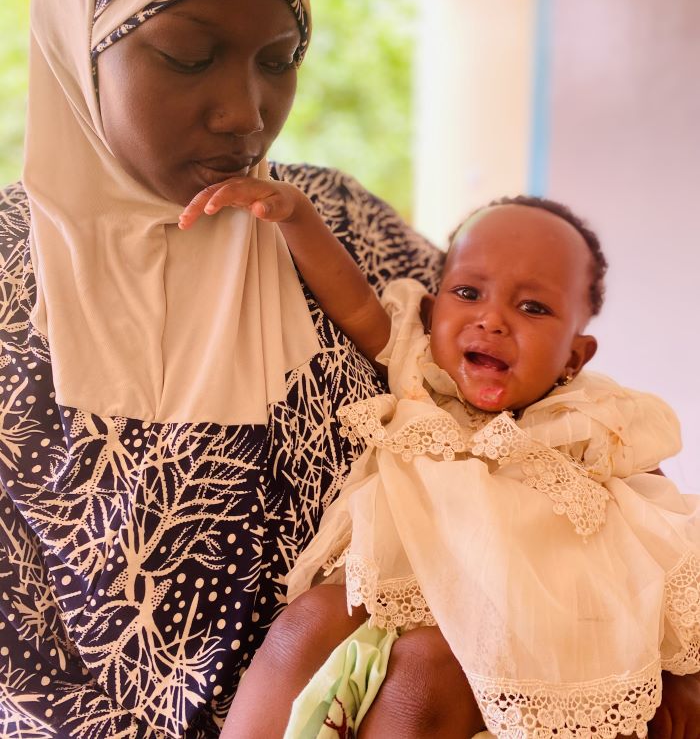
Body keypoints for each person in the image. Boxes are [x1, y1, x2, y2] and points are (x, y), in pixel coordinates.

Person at [0, 0, 447, 735]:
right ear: (80, 31)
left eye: (280, 62)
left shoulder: (350, 234)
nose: (244, 113)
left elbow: (547, 432)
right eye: (188, 55)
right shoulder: (10, 277)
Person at [179, 177, 700, 738]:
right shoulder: (416, 367)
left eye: (532, 307)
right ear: (430, 310)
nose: (492, 320)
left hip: (526, 633)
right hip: (391, 592)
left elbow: (670, 535)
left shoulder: (596, 416)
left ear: (575, 355)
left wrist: (686, 670)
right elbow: (350, 297)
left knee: (423, 680)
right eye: (469, 293)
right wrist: (296, 216)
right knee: (301, 625)